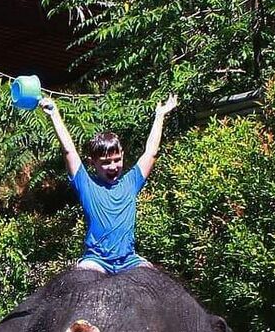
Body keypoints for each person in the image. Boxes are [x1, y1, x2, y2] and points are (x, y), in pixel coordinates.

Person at [39, 93, 178, 274]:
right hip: (96, 261)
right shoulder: (86, 184)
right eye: (105, 162)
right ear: (93, 163)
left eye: (117, 160)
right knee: (81, 276)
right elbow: (69, 151)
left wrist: (160, 115)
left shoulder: (131, 182)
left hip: (128, 260)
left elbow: (150, 153)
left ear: (122, 156)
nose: (113, 166)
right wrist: (54, 114)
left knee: (154, 278)